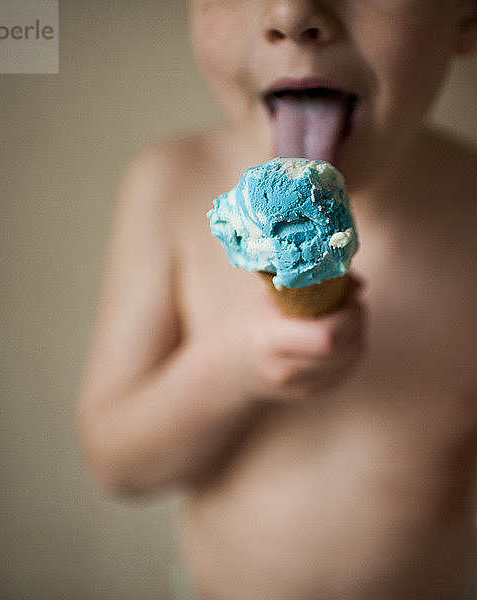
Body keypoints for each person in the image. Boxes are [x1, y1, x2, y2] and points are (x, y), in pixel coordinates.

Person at [78, 1, 477, 598]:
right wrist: (232, 366)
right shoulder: (170, 185)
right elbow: (117, 465)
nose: (292, 11)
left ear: (466, 18)